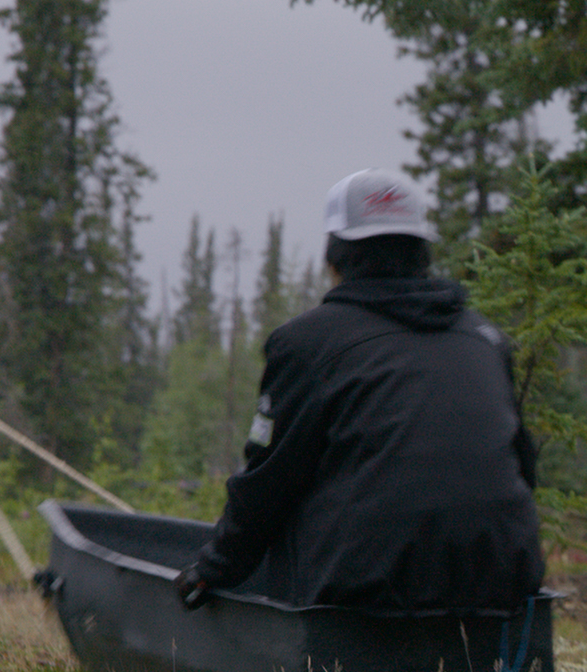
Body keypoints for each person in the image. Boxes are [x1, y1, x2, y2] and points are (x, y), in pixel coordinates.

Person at [176, 168, 543, 614]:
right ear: (422, 253)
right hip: (502, 581)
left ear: (334, 257)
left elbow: (268, 483)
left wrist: (212, 570)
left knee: (295, 500)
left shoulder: (307, 343)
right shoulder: (485, 337)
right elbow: (524, 467)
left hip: (365, 593)